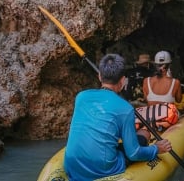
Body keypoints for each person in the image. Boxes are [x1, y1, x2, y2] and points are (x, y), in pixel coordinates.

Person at [64, 53, 172, 181]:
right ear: (122, 81)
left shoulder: (81, 96)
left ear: (99, 76)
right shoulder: (125, 109)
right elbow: (133, 154)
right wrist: (156, 149)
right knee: (143, 135)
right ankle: (145, 136)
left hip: (71, 166)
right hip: (102, 170)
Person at [142, 50, 182, 129]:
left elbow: (146, 99)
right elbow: (179, 100)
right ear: (169, 65)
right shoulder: (176, 82)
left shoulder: (146, 81)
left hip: (151, 119)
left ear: (155, 64)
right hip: (167, 120)